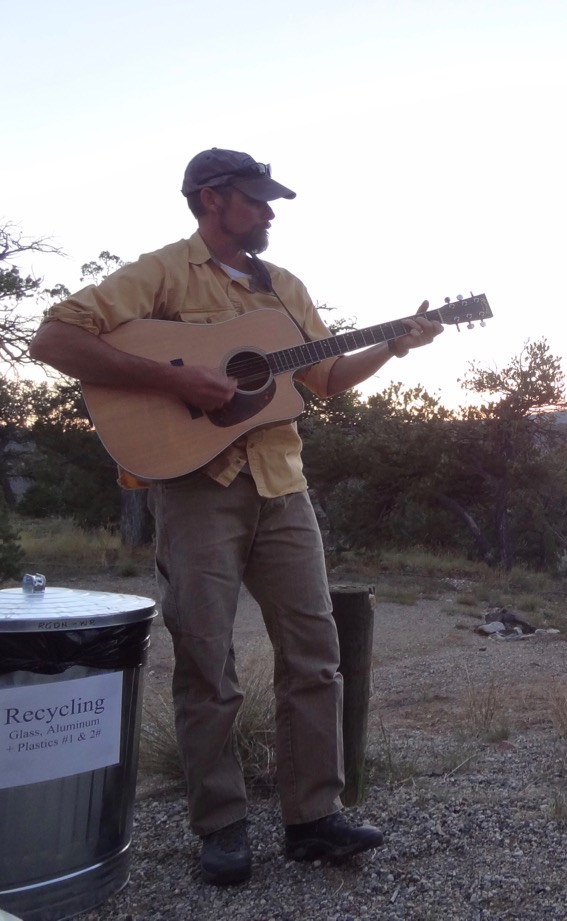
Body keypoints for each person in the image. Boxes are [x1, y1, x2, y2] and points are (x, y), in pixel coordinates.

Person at [29, 148, 443, 886]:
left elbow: (324, 377)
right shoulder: (160, 272)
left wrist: (390, 343)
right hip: (196, 487)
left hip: (282, 483)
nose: (270, 212)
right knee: (205, 658)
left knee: (316, 652)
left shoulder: (283, 289)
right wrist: (175, 376)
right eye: (256, 200)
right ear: (211, 199)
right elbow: (55, 338)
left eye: (271, 200)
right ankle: (220, 824)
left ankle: (315, 816)